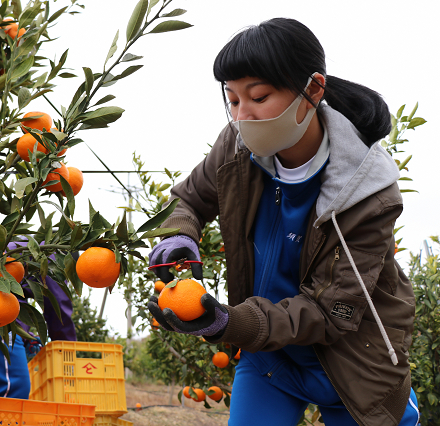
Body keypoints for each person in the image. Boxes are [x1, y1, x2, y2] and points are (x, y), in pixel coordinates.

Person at [148, 18, 419, 426]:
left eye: (258, 96)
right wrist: (177, 238)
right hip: (270, 359)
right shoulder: (235, 148)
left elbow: (330, 313)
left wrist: (229, 320)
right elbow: (187, 200)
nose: (242, 116)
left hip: (356, 368)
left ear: (312, 90)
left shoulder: (367, 194)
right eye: (233, 100)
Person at [0, 240, 76, 399]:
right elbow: (58, 306)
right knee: (12, 394)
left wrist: (26, 335)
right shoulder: (55, 257)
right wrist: (67, 350)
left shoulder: (18, 247)